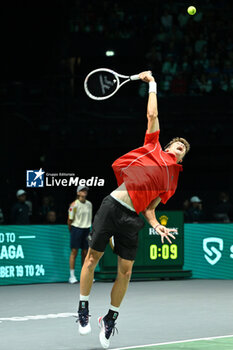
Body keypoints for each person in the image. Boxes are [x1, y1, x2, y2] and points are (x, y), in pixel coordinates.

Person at [76, 71, 190, 349]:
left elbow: (150, 209)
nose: (179, 149)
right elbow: (152, 116)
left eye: (183, 150)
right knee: (91, 259)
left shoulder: (171, 180)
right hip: (113, 205)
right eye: (177, 145)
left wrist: (156, 225)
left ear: (183, 159)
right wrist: (151, 84)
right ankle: (82, 307)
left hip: (131, 219)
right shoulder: (152, 147)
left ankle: (110, 318)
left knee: (126, 272)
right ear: (167, 146)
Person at [67, 186, 92, 284]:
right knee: (74, 252)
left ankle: (84, 276)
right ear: (78, 193)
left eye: (85, 190)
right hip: (76, 229)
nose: (84, 192)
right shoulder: (73, 205)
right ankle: (72, 276)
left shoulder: (89, 204)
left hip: (86, 230)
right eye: (82, 190)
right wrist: (73, 231)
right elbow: (69, 220)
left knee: (85, 253)